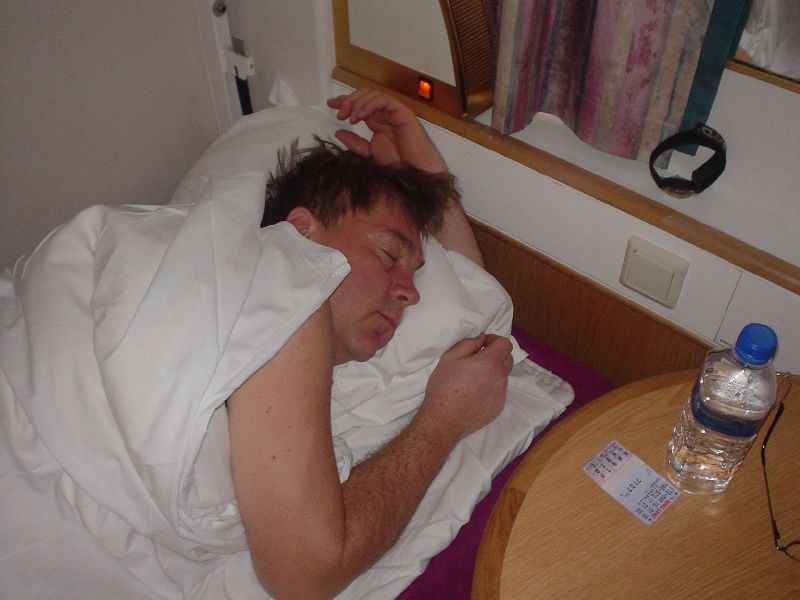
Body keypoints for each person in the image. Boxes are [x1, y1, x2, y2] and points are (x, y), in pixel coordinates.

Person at [226, 88, 513, 599]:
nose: (410, 293)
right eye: (387, 254)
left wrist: (422, 170)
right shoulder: (281, 290)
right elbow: (304, 575)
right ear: (300, 232)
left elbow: (469, 299)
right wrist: (442, 421)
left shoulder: (315, 348)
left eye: (414, 272)